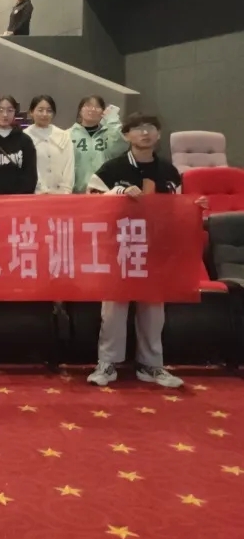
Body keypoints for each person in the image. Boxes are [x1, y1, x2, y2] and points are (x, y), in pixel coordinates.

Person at [86, 113, 202, 390]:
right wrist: (117, 193)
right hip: (119, 245)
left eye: (150, 128)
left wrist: (195, 207)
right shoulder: (112, 168)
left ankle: (151, 365)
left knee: (153, 308)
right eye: (138, 128)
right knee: (114, 308)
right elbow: (90, 198)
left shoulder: (168, 171)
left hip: (155, 247)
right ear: (126, 135)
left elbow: (177, 207)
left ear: (158, 134)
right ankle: (107, 363)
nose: (145, 133)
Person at [0, 95, 38, 196]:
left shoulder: (25, 140)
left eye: (10, 110)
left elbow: (30, 174)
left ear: (15, 113)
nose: (5, 114)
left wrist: (18, 197)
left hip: (20, 199)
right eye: (0, 110)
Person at [70, 95, 125, 193]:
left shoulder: (110, 134)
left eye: (97, 107)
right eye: (88, 105)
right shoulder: (68, 135)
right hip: (77, 192)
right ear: (80, 111)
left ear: (103, 112)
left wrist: (112, 120)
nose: (92, 109)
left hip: (106, 191)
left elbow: (120, 148)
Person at [27, 95, 75, 194]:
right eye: (40, 110)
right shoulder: (25, 137)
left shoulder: (64, 136)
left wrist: (66, 190)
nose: (44, 114)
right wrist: (40, 190)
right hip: (35, 194)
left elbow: (69, 165)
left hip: (61, 194)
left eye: (49, 111)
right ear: (31, 112)